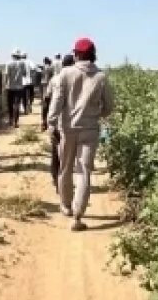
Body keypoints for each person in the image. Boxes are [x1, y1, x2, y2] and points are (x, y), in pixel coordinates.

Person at [47, 39, 113, 231]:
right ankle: (78, 214)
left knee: (65, 168)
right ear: (93, 54)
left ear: (76, 54)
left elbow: (57, 101)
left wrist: (52, 123)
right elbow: (109, 107)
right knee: (84, 171)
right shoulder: (101, 77)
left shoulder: (65, 73)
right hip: (90, 130)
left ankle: (65, 206)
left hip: (67, 129)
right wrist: (94, 115)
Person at [42, 53, 75, 189]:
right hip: (71, 121)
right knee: (69, 152)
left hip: (56, 120)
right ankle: (64, 180)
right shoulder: (77, 79)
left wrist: (46, 119)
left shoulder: (55, 79)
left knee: (56, 152)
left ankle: (56, 178)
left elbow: (47, 98)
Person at [4, 49, 28, 127]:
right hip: (19, 87)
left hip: (10, 86)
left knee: (10, 104)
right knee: (17, 104)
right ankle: (16, 122)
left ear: (12, 55)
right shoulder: (22, 63)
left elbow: (6, 75)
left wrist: (5, 84)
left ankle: (10, 119)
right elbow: (24, 74)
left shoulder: (9, 63)